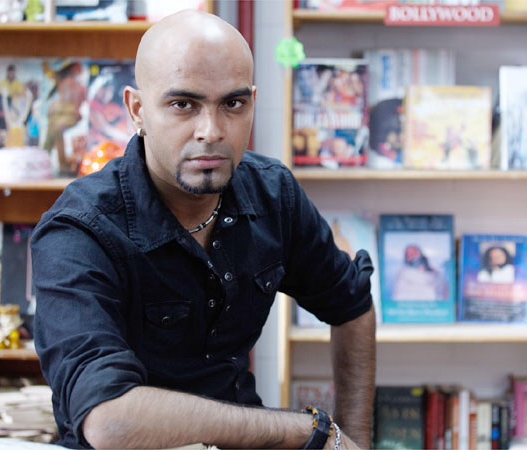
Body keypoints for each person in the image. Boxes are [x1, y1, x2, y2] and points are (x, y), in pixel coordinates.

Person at [31, 9, 376, 450]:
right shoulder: (79, 230)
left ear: (252, 102)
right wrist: (308, 431)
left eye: (232, 104)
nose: (211, 131)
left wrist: (355, 439)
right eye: (183, 105)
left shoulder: (273, 194)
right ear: (137, 110)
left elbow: (352, 303)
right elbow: (109, 420)